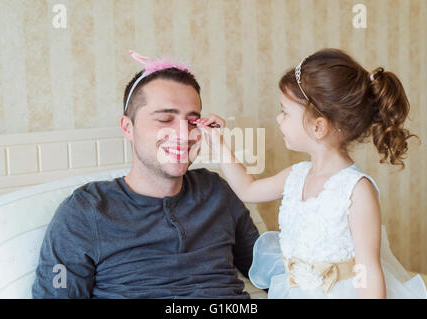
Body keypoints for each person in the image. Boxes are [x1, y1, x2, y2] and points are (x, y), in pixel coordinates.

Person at [196, 48, 427, 299]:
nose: (278, 118)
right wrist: (218, 144)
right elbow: (247, 190)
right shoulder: (295, 175)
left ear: (318, 127)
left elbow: (368, 270)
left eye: (285, 112)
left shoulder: (357, 191)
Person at [32, 51, 260, 298]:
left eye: (193, 121)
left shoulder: (216, 192)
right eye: (165, 119)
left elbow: (269, 270)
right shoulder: (85, 212)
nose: (183, 134)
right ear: (128, 128)